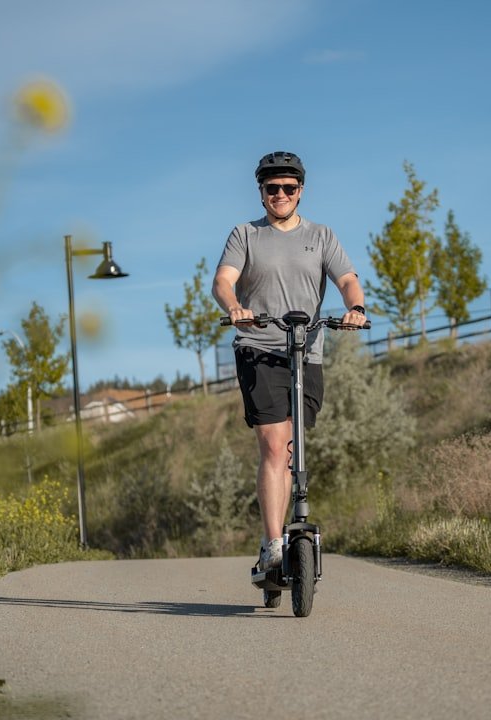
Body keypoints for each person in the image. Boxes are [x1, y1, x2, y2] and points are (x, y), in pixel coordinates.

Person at [212, 151, 367, 572]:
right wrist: (234, 307)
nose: (280, 195)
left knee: (294, 448)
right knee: (274, 445)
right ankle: (272, 544)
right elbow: (223, 281)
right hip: (258, 346)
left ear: (301, 192)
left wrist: (356, 308)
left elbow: (347, 280)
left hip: (305, 350)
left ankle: (287, 533)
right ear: (261, 192)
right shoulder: (245, 234)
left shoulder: (322, 236)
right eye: (272, 188)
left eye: (288, 188)